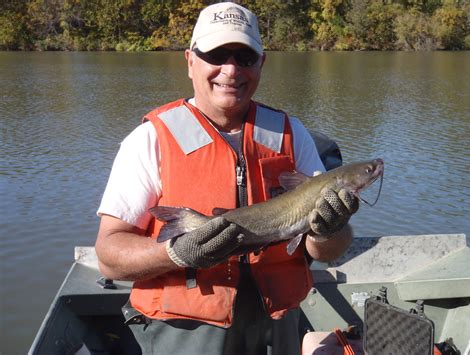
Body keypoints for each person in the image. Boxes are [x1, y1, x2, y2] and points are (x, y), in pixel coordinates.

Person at [95, 2, 358, 354]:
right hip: (185, 333)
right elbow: (109, 256)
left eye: (244, 57)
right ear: (190, 60)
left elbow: (327, 252)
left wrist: (330, 230)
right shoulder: (149, 139)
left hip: (276, 329)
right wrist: (177, 252)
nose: (230, 70)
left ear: (261, 64)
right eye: (217, 55)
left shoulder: (293, 135)